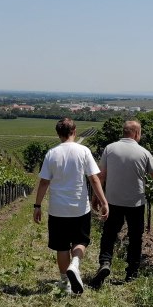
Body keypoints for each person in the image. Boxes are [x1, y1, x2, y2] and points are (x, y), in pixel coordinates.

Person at [90, 119, 153, 287]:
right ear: (137, 133)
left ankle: (105, 263)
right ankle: (131, 273)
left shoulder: (110, 149)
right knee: (135, 238)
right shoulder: (143, 153)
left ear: (124, 132)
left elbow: (101, 176)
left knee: (109, 234)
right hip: (135, 203)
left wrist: (97, 197)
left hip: (113, 201)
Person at [33, 118, 109, 295]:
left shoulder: (51, 153)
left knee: (61, 246)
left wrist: (37, 205)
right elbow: (94, 178)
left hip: (57, 209)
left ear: (58, 133)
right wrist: (104, 201)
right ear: (74, 131)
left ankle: (65, 282)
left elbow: (44, 182)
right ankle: (75, 265)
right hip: (79, 207)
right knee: (81, 241)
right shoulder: (83, 151)